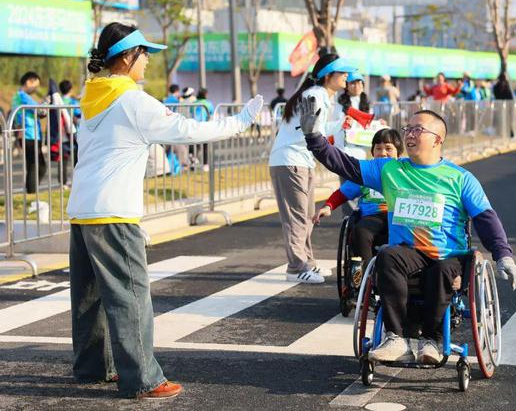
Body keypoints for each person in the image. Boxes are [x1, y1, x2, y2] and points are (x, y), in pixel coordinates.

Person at [66, 22, 263, 399]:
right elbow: (188, 130)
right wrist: (240, 121)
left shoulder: (93, 95)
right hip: (113, 212)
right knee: (130, 295)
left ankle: (92, 368)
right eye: (144, 55)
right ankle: (144, 379)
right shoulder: (132, 100)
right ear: (126, 57)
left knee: (89, 299)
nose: (149, 62)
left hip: (83, 210)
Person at [300, 105, 516, 364]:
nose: (410, 134)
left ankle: (433, 341)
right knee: (386, 256)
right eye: (408, 128)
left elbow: (486, 218)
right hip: (408, 254)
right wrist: (313, 138)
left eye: (418, 129)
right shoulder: (390, 170)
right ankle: (395, 337)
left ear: (438, 139)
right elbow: (345, 165)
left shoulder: (460, 178)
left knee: (440, 271)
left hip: (447, 255)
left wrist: (504, 256)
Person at [268, 53, 355, 284]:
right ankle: (297, 268)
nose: (347, 76)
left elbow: (318, 130)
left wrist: (339, 124)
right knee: (297, 217)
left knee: (306, 217)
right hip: (290, 161)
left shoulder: (322, 96)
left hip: (301, 161)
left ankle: (308, 262)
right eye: (342, 72)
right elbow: (313, 133)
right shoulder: (314, 95)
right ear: (328, 75)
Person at [313, 128, 404, 267]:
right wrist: (328, 206)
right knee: (361, 232)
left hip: (399, 216)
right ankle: (365, 274)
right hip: (373, 216)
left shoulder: (406, 172)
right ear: (372, 152)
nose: (383, 152)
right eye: (378, 148)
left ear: (399, 153)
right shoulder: (368, 173)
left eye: (388, 148)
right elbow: (343, 192)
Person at [333, 72, 376, 215]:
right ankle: (348, 217)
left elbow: (368, 125)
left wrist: (378, 123)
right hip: (345, 151)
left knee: (360, 186)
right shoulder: (339, 104)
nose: (356, 86)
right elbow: (336, 125)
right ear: (347, 86)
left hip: (360, 152)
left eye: (359, 83)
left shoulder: (366, 103)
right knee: (346, 187)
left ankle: (360, 214)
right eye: (353, 83)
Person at [12, 71, 46, 193]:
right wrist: (46, 103)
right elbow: (40, 111)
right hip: (30, 134)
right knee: (37, 166)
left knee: (34, 165)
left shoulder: (16, 96)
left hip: (26, 134)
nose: (36, 89)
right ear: (29, 81)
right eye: (35, 85)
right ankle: (32, 192)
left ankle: (31, 191)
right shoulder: (23, 96)